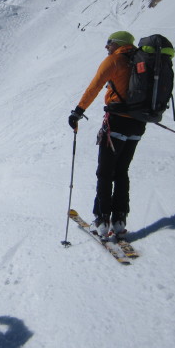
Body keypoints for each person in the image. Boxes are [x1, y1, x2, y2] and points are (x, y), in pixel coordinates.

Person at [68, 31, 146, 238]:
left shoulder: (115, 60)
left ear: (118, 44)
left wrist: (78, 111)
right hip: (138, 125)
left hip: (117, 123)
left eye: (109, 43)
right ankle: (119, 220)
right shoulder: (141, 62)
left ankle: (102, 220)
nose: (106, 47)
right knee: (121, 171)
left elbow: (94, 86)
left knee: (105, 173)